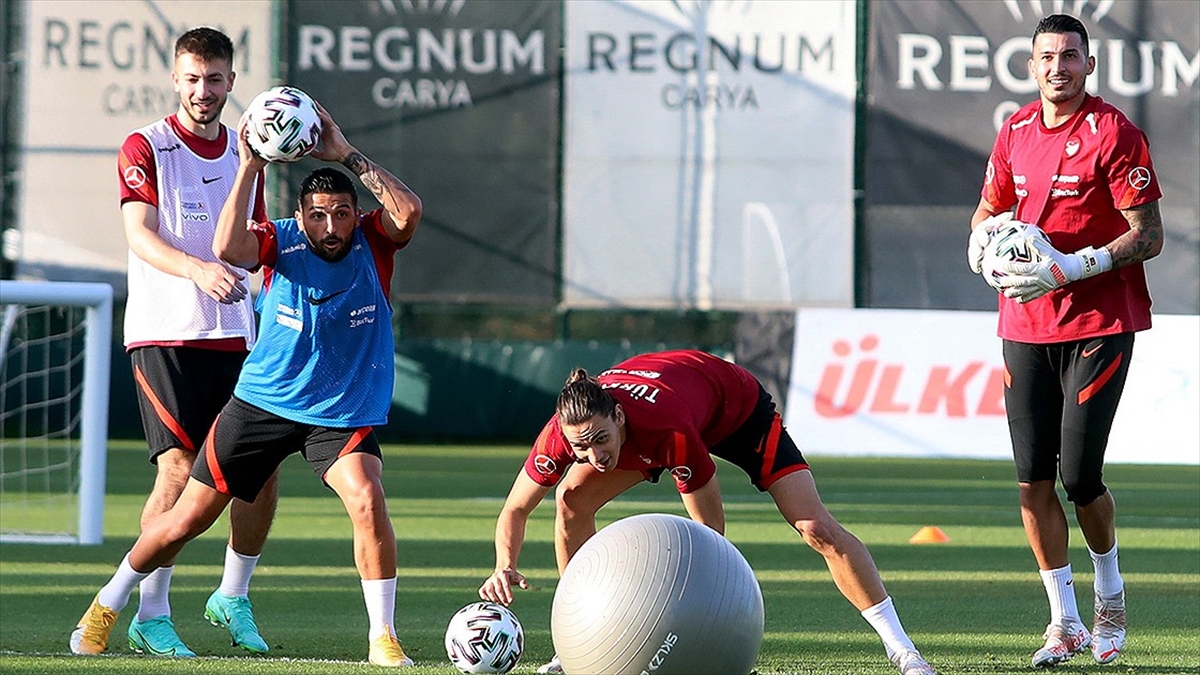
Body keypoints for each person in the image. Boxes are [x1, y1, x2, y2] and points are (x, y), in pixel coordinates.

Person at [70, 98, 423, 667]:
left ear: (356, 214)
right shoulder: (278, 240)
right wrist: (251, 165)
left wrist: (347, 154)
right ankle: (108, 603)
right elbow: (225, 248)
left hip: (337, 413)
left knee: (367, 496)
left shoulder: (373, 241)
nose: (329, 227)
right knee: (187, 518)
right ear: (300, 216)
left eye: (340, 214)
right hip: (261, 404)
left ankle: (382, 635)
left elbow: (408, 212)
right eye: (318, 215)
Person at [478, 349, 938, 675]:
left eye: (600, 439)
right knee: (571, 500)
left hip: (737, 409)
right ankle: (573, 644)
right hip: (675, 409)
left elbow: (711, 536)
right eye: (581, 446)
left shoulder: (667, 431)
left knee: (816, 526)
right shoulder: (561, 436)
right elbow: (516, 508)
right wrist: (505, 565)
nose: (594, 454)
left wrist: (707, 610)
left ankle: (903, 652)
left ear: (618, 417)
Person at [966, 14, 1164, 669]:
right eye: (1047, 56)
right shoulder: (1015, 130)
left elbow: (1149, 234)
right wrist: (979, 240)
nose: (1059, 67)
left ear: (1088, 65)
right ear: (1031, 66)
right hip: (1023, 325)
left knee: (1079, 478)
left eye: (1070, 56)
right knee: (1031, 483)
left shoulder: (1114, 133)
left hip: (1099, 325)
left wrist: (1073, 265)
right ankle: (1065, 622)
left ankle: (1111, 598)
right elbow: (989, 209)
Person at [106, 26, 277, 657]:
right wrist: (198, 269)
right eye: (192, 78)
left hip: (238, 334)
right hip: (165, 334)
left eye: (215, 79)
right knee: (179, 470)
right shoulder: (144, 145)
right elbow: (139, 234)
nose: (203, 90)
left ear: (233, 82)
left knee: (256, 475)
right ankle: (151, 612)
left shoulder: (247, 151)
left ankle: (233, 594)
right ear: (175, 80)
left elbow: (250, 238)